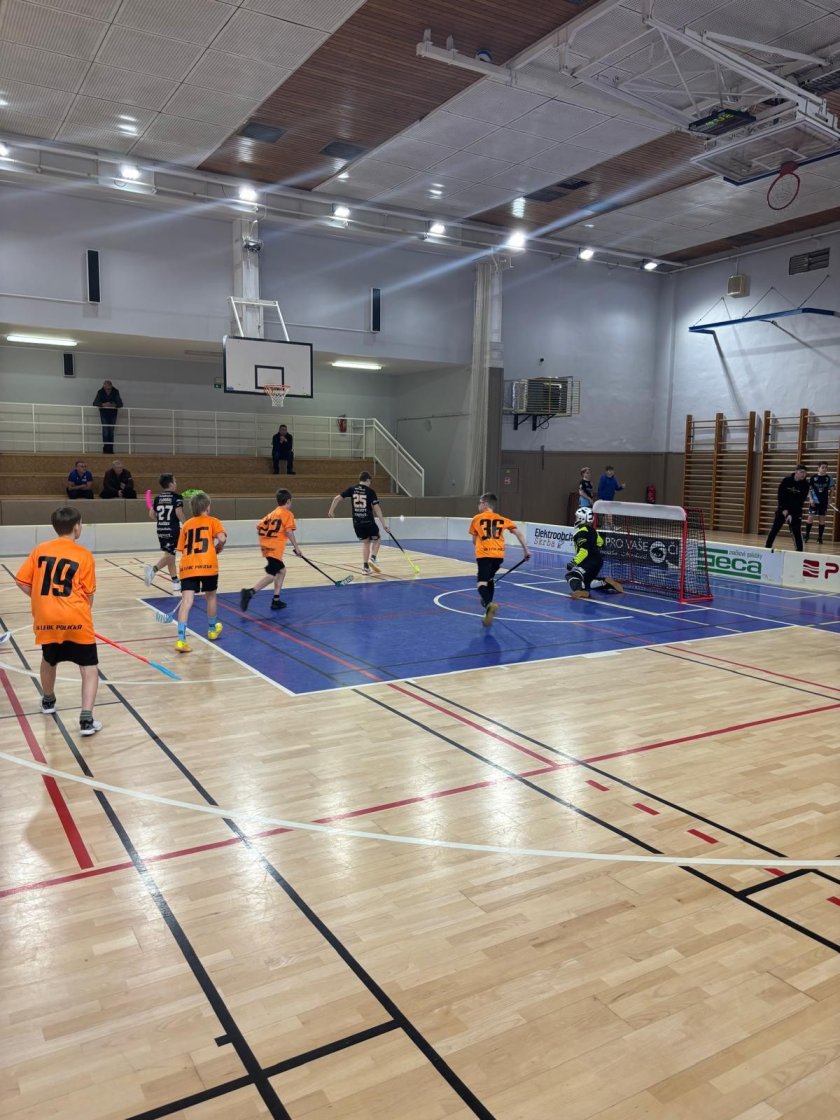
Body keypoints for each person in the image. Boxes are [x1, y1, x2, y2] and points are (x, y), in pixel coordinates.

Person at [14, 506, 101, 735]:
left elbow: (21, 581)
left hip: (47, 618)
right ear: (77, 527)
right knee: (89, 667)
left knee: (48, 659)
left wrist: (41, 600)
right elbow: (89, 593)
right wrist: (83, 614)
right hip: (76, 617)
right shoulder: (84, 555)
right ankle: (86, 719)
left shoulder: (40, 550)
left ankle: (48, 701)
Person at [174, 491, 227, 653]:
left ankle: (181, 640)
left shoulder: (186, 525)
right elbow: (222, 538)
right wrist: (218, 547)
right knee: (210, 596)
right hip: (208, 565)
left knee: (187, 601)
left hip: (188, 566)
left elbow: (181, 548)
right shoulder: (213, 521)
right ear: (207, 507)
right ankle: (212, 629)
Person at [468, 492, 530, 626]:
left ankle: (489, 604)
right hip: (498, 556)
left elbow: (474, 541)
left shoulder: (476, 519)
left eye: (479, 503)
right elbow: (518, 533)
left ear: (485, 504)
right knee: (490, 579)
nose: (478, 506)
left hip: (484, 555)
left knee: (481, 583)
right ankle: (488, 607)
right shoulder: (502, 519)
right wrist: (526, 550)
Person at [240, 488, 302, 613]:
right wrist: (297, 548)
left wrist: (267, 541)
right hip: (274, 549)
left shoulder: (272, 513)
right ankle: (250, 592)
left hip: (266, 548)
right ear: (288, 501)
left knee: (282, 571)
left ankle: (276, 600)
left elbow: (259, 527)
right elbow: (289, 532)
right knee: (271, 575)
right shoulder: (288, 514)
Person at [328, 471, 390, 574]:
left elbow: (337, 498)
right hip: (368, 521)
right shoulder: (370, 491)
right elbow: (377, 509)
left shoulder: (352, 489)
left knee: (366, 542)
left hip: (357, 523)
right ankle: (373, 558)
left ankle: (365, 567)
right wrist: (384, 525)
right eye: (370, 481)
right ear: (368, 480)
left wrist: (331, 511)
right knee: (377, 539)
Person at [565, 506, 623, 599]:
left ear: (581, 519)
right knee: (587, 582)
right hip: (598, 561)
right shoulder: (593, 531)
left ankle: (580, 590)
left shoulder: (581, 533)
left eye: (577, 517)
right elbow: (601, 543)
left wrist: (573, 562)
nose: (576, 519)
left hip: (589, 562)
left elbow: (584, 551)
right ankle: (605, 582)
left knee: (571, 575)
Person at [144, 474, 184, 591]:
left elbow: (151, 514)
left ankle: (175, 581)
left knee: (170, 555)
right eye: (175, 481)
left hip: (161, 529)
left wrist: (162, 521)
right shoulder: (177, 497)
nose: (176, 483)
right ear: (171, 484)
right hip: (172, 530)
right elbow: (179, 513)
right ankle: (153, 570)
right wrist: (187, 525)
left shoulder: (158, 498)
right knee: (170, 556)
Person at [764, 465, 810, 551]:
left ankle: (799, 552)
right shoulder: (786, 481)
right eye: (801, 472)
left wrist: (791, 514)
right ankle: (767, 548)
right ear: (796, 472)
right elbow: (780, 496)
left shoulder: (805, 485)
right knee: (774, 529)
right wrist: (784, 509)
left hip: (795, 511)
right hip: (782, 509)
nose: (803, 474)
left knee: (796, 531)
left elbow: (800, 501)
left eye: (805, 473)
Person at [804, 462, 835, 546]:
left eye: (826, 468)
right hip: (814, 502)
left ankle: (820, 538)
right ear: (818, 468)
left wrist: (830, 499)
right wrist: (810, 499)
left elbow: (832, 490)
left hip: (823, 502)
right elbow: (809, 489)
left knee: (822, 520)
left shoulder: (829, 478)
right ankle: (807, 536)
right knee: (810, 519)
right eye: (822, 467)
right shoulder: (813, 478)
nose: (824, 469)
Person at [92, 380, 123, 454]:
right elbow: (95, 403)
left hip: (113, 414)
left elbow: (120, 404)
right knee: (105, 431)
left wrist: (114, 405)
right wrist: (103, 404)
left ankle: (110, 449)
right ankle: (105, 449)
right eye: (106, 389)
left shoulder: (115, 391)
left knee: (111, 431)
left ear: (111, 386)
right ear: (104, 386)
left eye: (109, 389)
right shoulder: (100, 392)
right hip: (104, 413)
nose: (108, 390)